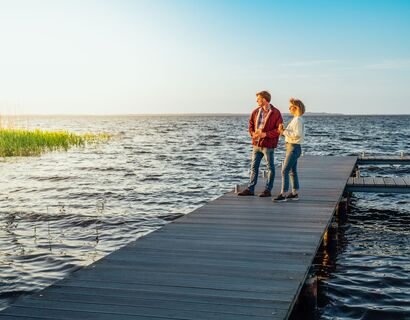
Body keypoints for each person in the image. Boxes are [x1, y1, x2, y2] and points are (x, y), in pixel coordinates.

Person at [238, 91, 283, 197]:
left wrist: (265, 134)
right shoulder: (255, 111)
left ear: (264, 99)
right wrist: (252, 133)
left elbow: (278, 130)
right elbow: (251, 125)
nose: (256, 100)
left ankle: (268, 190)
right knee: (254, 167)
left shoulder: (276, 112)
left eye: (258, 98)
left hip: (268, 145)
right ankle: (250, 189)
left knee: (270, 168)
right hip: (256, 144)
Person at [273, 98, 306, 202]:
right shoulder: (297, 119)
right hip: (292, 147)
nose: (289, 108)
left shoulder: (297, 120)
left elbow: (297, 135)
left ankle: (283, 194)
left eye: (290, 106)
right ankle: (295, 193)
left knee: (284, 170)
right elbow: (293, 134)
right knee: (292, 171)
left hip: (293, 147)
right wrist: (283, 131)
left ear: (295, 107)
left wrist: (283, 131)